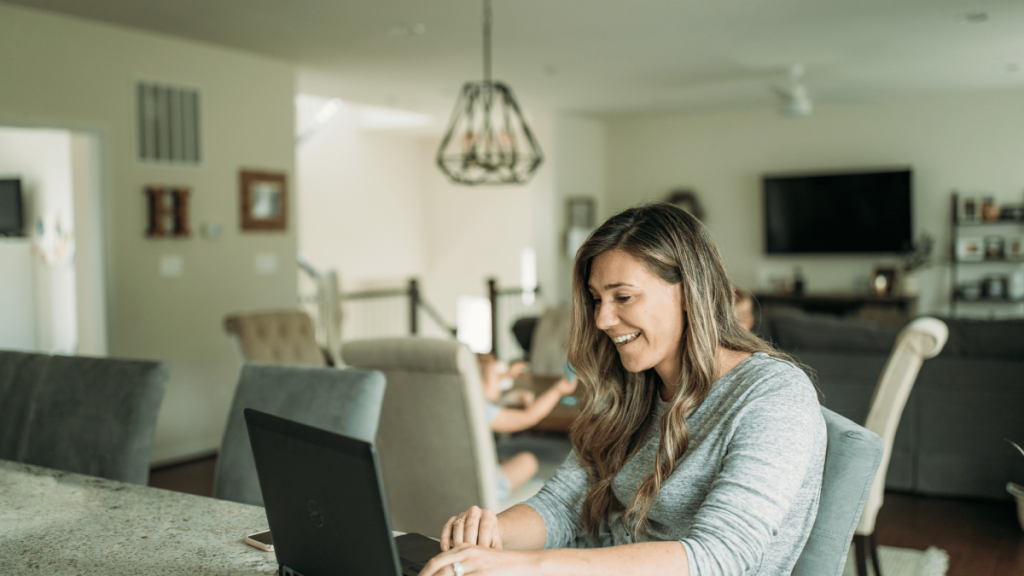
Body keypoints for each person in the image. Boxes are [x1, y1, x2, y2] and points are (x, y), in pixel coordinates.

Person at [418, 202, 826, 576]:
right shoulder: (634, 388)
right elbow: (564, 505)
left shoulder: (774, 395)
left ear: (689, 292)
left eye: (623, 297)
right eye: (596, 299)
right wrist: (485, 539)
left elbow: (719, 558)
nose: (602, 320)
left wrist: (528, 566)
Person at [477, 353, 578, 500]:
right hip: (485, 488)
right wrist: (558, 390)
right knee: (527, 461)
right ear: (480, 383)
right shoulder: (482, 409)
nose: (499, 381)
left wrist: (506, 382)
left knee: (500, 459)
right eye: (496, 377)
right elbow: (529, 417)